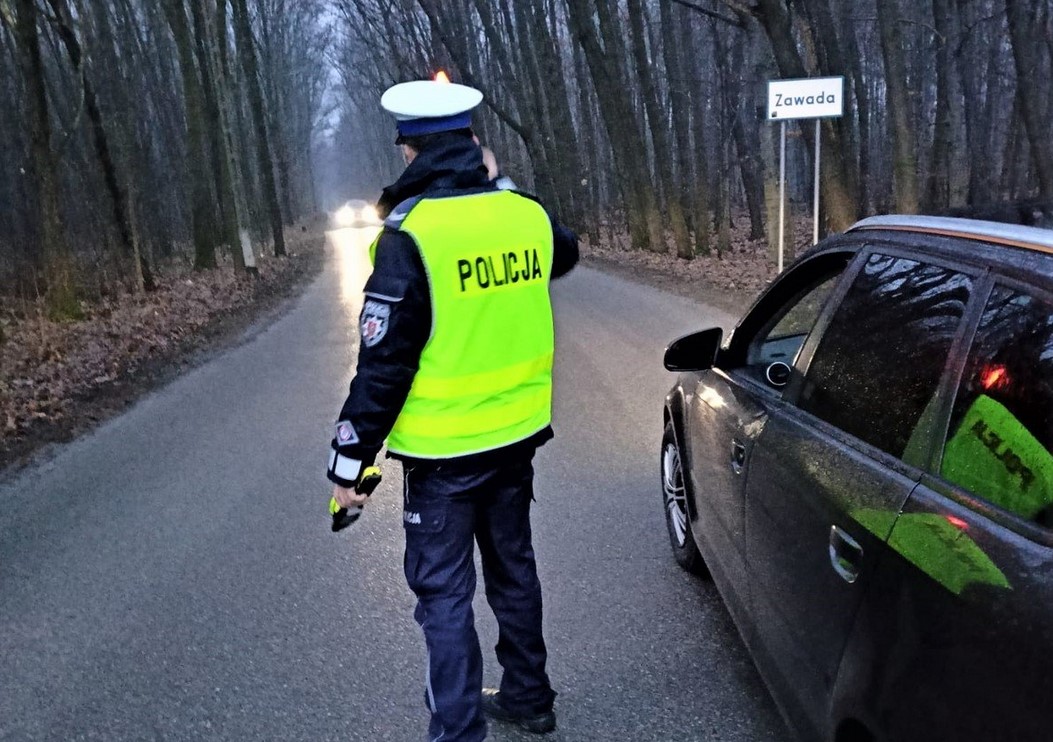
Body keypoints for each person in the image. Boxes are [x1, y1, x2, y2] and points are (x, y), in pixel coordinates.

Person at [325, 76, 578, 742]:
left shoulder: (409, 235)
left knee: (443, 596)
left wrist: (349, 463)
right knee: (513, 570)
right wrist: (499, 184)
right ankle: (529, 697)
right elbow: (566, 253)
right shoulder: (524, 212)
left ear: (408, 150)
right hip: (516, 436)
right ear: (472, 141)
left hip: (442, 457)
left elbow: (384, 365)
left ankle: (459, 733)